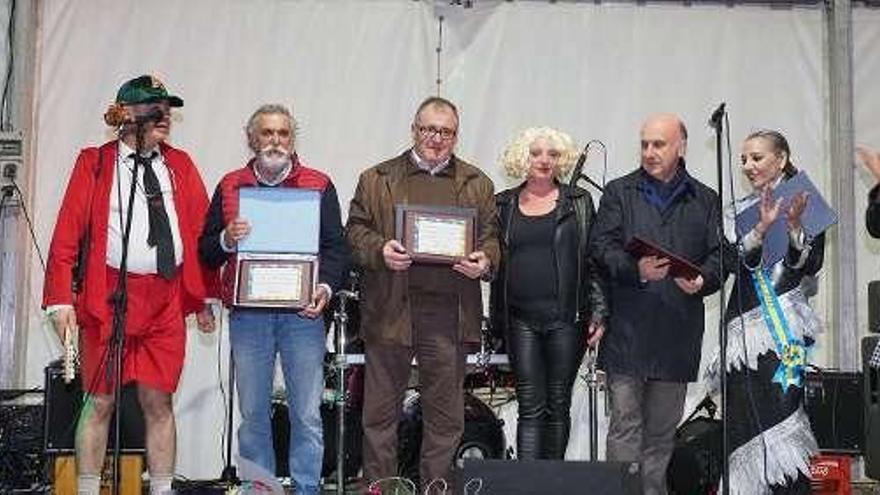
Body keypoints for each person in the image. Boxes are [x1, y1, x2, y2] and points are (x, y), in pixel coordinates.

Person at [42, 75, 218, 495]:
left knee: (159, 402)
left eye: (168, 110)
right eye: (155, 110)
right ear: (126, 116)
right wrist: (59, 300)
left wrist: (205, 295)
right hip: (110, 298)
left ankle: (160, 490)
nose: (166, 118)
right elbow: (67, 233)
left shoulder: (182, 164)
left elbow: (200, 232)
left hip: (166, 299)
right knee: (98, 401)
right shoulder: (95, 162)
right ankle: (86, 489)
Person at [346, 96, 500, 489]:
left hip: (450, 315)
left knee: (446, 417)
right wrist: (379, 250)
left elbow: (492, 239)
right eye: (429, 129)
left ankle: (437, 488)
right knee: (380, 414)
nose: (436, 139)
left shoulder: (478, 183)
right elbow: (354, 233)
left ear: (456, 136)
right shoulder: (375, 178)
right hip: (390, 311)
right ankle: (382, 489)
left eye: (445, 132)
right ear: (414, 130)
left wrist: (485, 261)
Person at [198, 104, 348, 495]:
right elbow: (205, 251)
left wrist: (326, 289)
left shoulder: (319, 183)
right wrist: (226, 240)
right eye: (267, 133)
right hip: (249, 318)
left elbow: (337, 250)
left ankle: (306, 489)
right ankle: (260, 489)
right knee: (253, 415)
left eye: (283, 133)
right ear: (252, 138)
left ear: (292, 139)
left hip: (304, 315)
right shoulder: (230, 185)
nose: (275, 141)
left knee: (307, 414)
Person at [590, 113, 721, 495]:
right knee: (625, 428)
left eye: (658, 144)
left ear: (681, 147)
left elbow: (719, 256)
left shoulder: (706, 198)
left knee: (662, 434)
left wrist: (702, 279)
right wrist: (637, 269)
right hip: (627, 330)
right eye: (644, 144)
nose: (649, 152)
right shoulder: (619, 192)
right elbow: (600, 247)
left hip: (677, 331)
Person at [704, 129, 823, 494]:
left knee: (783, 419)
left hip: (784, 329)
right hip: (743, 332)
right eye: (743, 159)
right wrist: (759, 229)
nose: (748, 165)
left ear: (782, 159)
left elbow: (811, 265)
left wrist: (793, 228)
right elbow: (732, 264)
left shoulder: (805, 200)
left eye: (757, 157)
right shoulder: (736, 211)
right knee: (741, 425)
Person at [490, 127, 608, 460]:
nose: (544, 160)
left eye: (553, 154)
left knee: (558, 404)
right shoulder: (503, 204)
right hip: (519, 319)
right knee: (530, 404)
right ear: (521, 158)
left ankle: (552, 481)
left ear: (562, 161)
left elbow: (593, 261)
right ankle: (530, 483)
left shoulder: (579, 202)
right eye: (536, 153)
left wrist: (599, 310)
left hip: (566, 320)